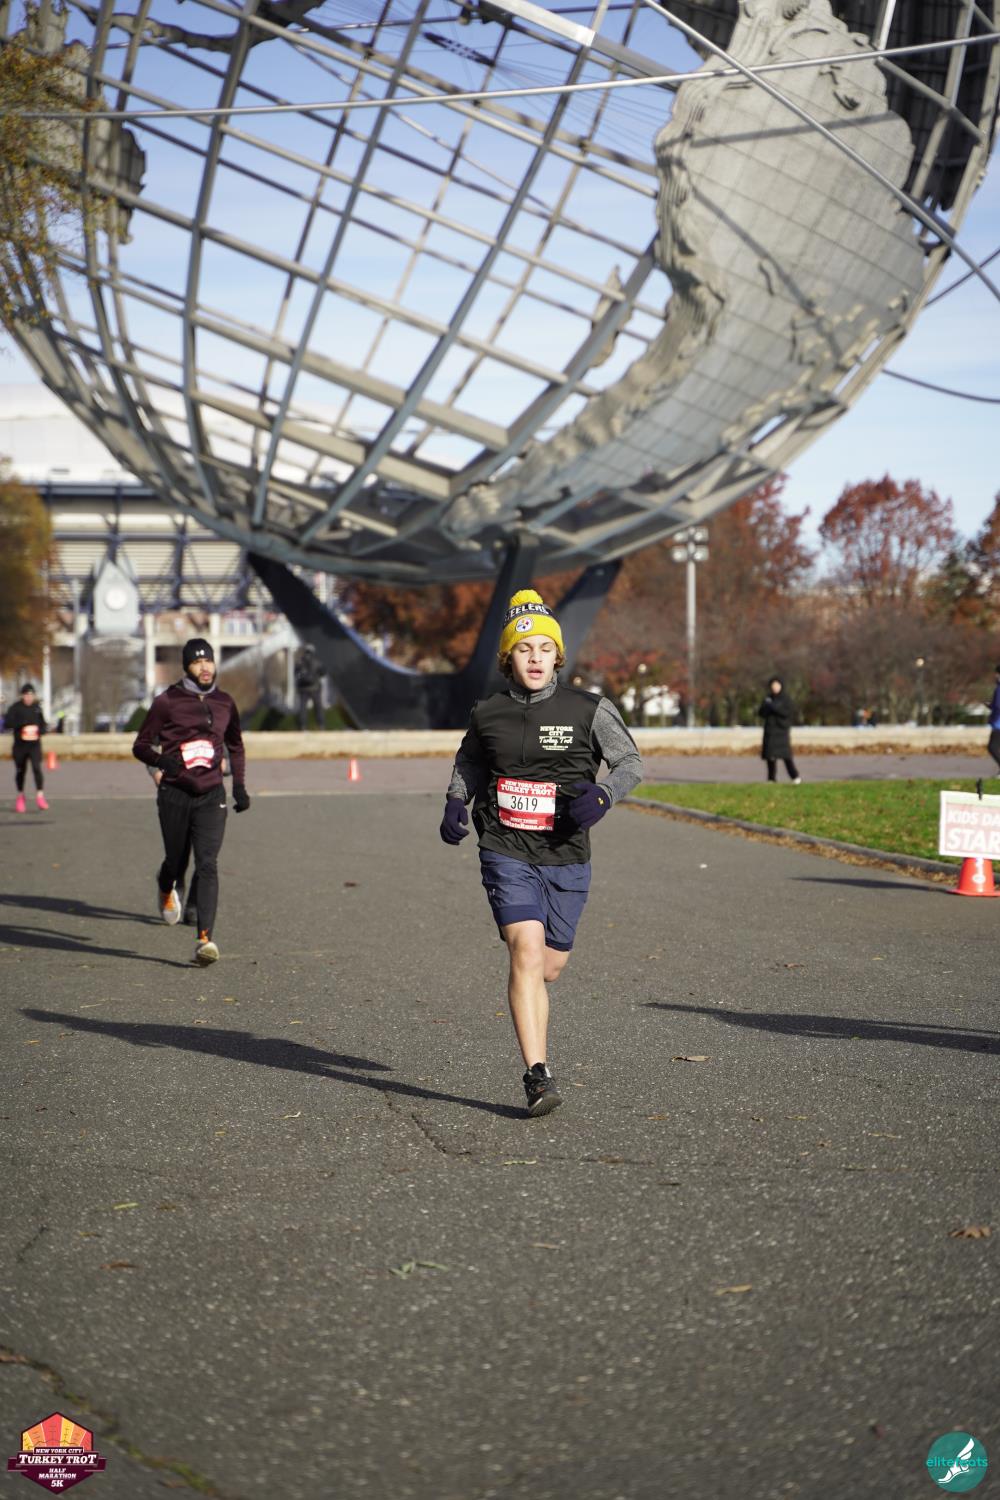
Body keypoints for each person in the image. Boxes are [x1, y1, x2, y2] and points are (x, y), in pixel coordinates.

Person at [440, 588, 643, 1117]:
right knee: (526, 951)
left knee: (550, 966)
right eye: (524, 649)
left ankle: (537, 1039)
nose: (535, 658)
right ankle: (537, 1075)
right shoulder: (489, 712)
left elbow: (630, 763)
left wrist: (605, 794)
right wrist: (456, 800)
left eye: (545, 649)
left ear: (558, 656)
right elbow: (469, 762)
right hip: (504, 846)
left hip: (566, 853)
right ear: (509, 657)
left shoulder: (589, 709)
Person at [132, 638, 249, 964]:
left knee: (208, 863)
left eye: (208, 660)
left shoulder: (225, 702)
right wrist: (160, 762)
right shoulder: (167, 701)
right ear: (187, 667)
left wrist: (239, 786)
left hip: (211, 795)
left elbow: (236, 746)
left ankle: (204, 940)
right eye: (197, 662)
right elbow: (140, 745)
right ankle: (166, 886)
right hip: (175, 794)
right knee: (176, 860)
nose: (205, 667)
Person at [7, 683, 49, 813]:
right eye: (26, 695)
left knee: (37, 768)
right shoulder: (15, 708)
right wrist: (22, 725)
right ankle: (20, 795)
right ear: (22, 696)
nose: (29, 698)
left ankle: (40, 795)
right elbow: (8, 723)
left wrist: (40, 730)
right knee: (21, 771)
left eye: (31, 695)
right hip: (20, 745)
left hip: (34, 745)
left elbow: (43, 724)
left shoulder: (37, 708)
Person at [759, 677, 801, 783]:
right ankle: (771, 778)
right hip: (770, 731)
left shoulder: (786, 699)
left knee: (786, 756)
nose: (775, 687)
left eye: (777, 685)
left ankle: (795, 776)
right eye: (773, 686)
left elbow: (787, 713)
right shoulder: (768, 698)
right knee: (770, 756)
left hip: (781, 731)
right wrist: (767, 707)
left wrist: (774, 707)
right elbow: (761, 713)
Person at [295, 645, 324, 731]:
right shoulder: (317, 661)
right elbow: (323, 673)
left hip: (303, 688)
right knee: (318, 708)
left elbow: (295, 673)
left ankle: (302, 727)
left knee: (303, 708)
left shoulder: (300, 662)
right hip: (315, 688)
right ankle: (321, 726)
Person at [987, 665, 1000, 776]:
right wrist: (991, 706)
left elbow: (998, 705)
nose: (995, 676)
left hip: (998, 724)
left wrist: (992, 707)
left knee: (992, 747)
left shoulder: (999, 689)